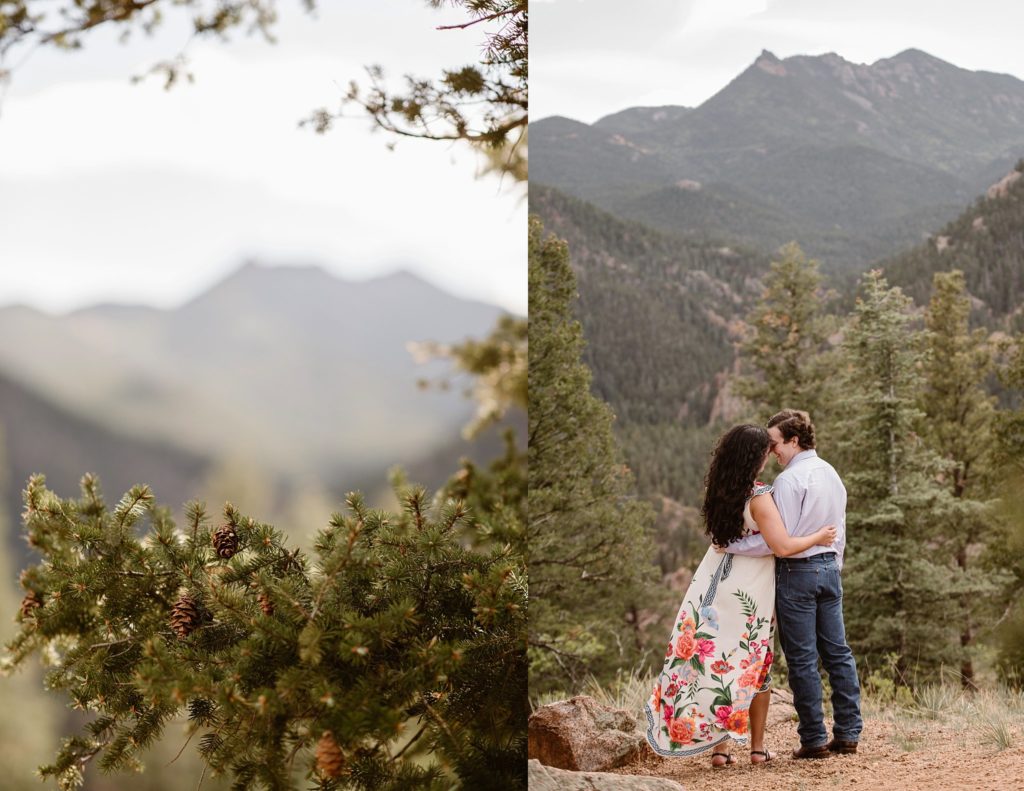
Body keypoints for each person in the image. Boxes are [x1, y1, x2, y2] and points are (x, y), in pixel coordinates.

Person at [643, 424, 837, 767]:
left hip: (712, 581)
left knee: (715, 658)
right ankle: (757, 748)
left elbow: (722, 540)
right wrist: (818, 537)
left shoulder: (717, 489)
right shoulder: (759, 496)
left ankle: (720, 750)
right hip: (750, 588)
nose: (769, 457)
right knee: (753, 663)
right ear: (754, 457)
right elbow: (782, 545)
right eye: (765, 452)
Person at [725, 409, 863, 758]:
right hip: (830, 569)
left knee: (802, 659)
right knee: (838, 653)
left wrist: (732, 544)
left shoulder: (787, 481)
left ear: (793, 440)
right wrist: (835, 563)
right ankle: (848, 733)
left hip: (797, 573)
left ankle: (814, 739)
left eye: (774, 444)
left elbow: (777, 540)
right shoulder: (831, 473)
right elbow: (840, 527)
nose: (772, 452)